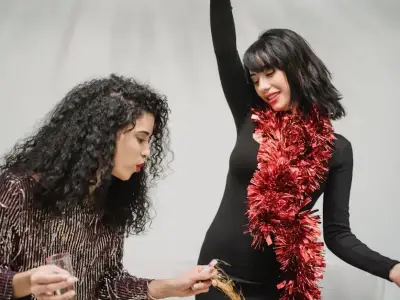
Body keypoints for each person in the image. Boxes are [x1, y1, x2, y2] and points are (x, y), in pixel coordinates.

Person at [196, 1, 400, 299]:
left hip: (276, 284)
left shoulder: (336, 150)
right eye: (255, 79)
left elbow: (338, 234)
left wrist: (392, 268)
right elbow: (224, 48)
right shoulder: (249, 115)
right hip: (218, 275)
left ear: (295, 68)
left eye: (269, 72)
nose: (263, 86)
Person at [0, 74, 214, 300]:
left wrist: (167, 287)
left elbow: (106, 284)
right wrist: (27, 283)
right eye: (140, 139)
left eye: (149, 141)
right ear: (104, 136)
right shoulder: (18, 189)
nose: (147, 152)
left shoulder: (108, 199)